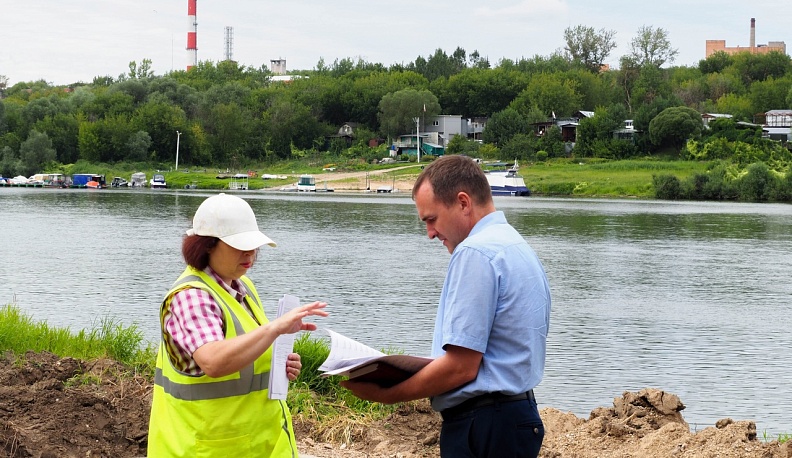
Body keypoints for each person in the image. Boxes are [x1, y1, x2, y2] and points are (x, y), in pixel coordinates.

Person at [342, 155, 551, 458]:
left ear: (463, 203)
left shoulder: (475, 252)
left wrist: (386, 394)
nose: (430, 233)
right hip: (516, 418)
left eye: (432, 219)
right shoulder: (516, 246)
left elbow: (460, 368)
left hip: (484, 424)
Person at [148, 193, 328, 457]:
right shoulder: (191, 297)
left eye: (253, 245)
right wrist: (274, 329)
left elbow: (246, 353)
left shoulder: (242, 286)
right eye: (239, 245)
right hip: (208, 448)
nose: (250, 253)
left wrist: (277, 363)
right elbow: (213, 361)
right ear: (207, 246)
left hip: (256, 443)